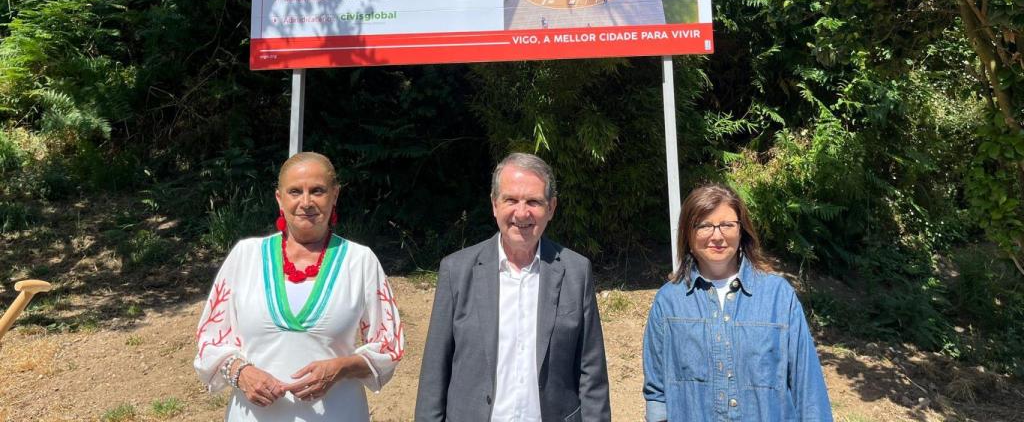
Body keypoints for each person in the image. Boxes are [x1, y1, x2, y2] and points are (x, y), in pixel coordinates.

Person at [194, 152, 404, 422]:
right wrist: (241, 372)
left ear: (335, 195)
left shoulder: (359, 261)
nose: (306, 202)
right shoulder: (246, 257)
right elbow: (210, 341)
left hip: (338, 413)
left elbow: (389, 346)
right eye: (295, 191)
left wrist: (341, 367)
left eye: (317, 191)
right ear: (280, 199)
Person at [415, 152, 610, 422]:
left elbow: (592, 373)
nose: (522, 213)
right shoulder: (457, 271)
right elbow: (434, 374)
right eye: (511, 200)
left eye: (533, 201)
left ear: (551, 207)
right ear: (494, 204)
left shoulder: (576, 272)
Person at [642, 184, 832, 421]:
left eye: (727, 225)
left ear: (742, 231)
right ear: (688, 235)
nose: (717, 235)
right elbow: (657, 394)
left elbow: (808, 387)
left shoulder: (778, 296)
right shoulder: (668, 303)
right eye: (704, 225)